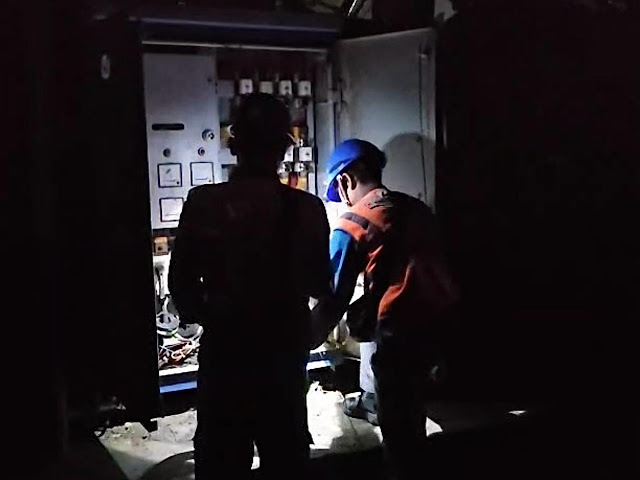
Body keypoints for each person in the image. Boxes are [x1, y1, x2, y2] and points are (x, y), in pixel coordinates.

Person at [169, 93, 331, 480]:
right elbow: (319, 283)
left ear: (233, 143)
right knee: (286, 460)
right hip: (283, 359)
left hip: (225, 357)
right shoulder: (307, 209)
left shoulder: (203, 203)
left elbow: (182, 288)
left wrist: (216, 313)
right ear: (283, 148)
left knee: (222, 463)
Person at [311, 139, 458, 480]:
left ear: (345, 180)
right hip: (439, 323)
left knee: (399, 433)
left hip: (398, 335)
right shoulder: (416, 208)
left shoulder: (353, 223)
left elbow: (333, 297)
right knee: (413, 407)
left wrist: (306, 340)